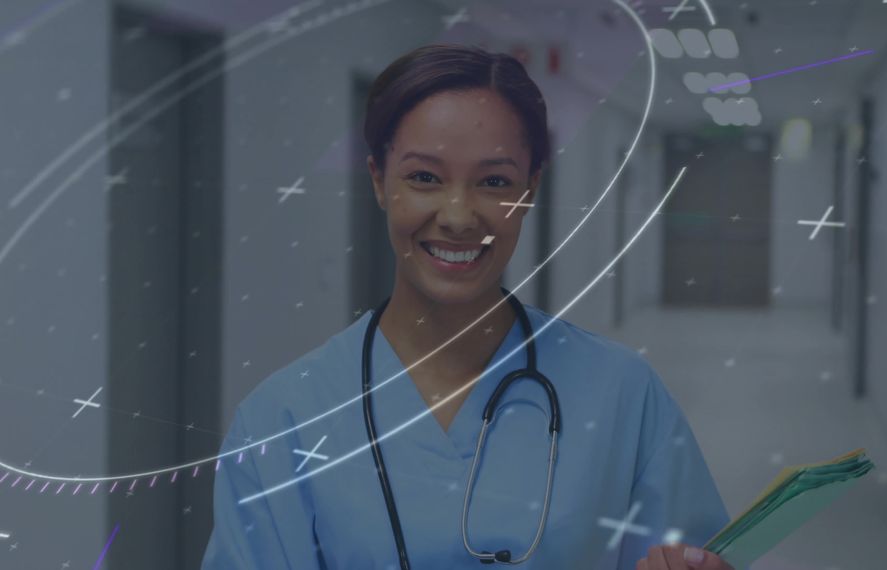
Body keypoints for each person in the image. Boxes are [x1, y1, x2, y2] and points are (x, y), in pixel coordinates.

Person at [202, 43, 734, 570]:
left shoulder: (622, 394)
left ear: (530, 190)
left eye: (494, 182)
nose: (457, 216)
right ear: (378, 181)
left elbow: (695, 553)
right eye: (424, 178)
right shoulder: (281, 423)